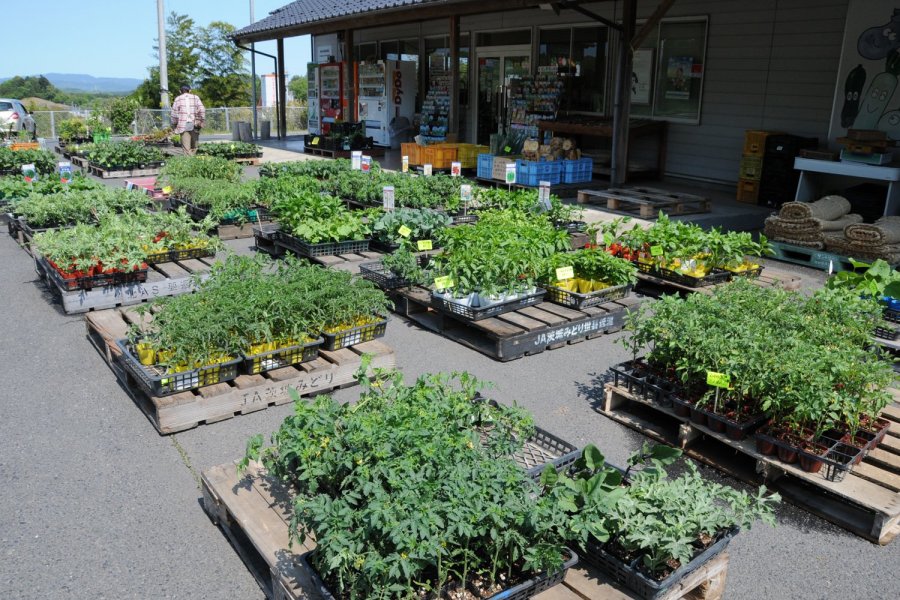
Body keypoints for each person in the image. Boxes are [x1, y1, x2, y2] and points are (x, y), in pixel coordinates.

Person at [171, 85, 205, 155]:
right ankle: (193, 158)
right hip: (195, 124)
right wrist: (201, 120)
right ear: (190, 90)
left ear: (180, 91)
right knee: (195, 146)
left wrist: (175, 124)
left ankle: (188, 159)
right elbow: (202, 110)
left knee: (186, 148)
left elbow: (174, 114)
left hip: (183, 125)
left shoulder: (178, 99)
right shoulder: (196, 97)